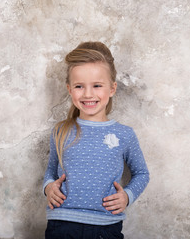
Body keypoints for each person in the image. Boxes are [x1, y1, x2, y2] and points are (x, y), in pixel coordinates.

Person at [43, 41, 150, 239]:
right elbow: (51, 170)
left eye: (97, 85)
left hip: (106, 226)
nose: (88, 94)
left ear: (112, 88)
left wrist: (127, 196)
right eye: (79, 86)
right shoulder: (60, 131)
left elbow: (142, 173)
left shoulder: (124, 134)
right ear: (69, 89)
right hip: (62, 224)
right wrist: (48, 187)